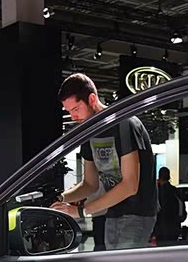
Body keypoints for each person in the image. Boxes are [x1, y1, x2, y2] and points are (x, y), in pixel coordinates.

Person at [51, 73, 156, 250]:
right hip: (112, 212)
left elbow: (130, 185)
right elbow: (90, 184)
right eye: (69, 111)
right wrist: (61, 198)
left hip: (138, 213)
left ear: (92, 99)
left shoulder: (124, 123)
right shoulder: (88, 133)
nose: (73, 116)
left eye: (76, 109)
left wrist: (81, 211)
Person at [153, 167, 183, 244]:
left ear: (159, 177)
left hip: (160, 227)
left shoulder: (157, 192)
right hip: (174, 226)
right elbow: (182, 207)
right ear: (169, 176)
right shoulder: (175, 191)